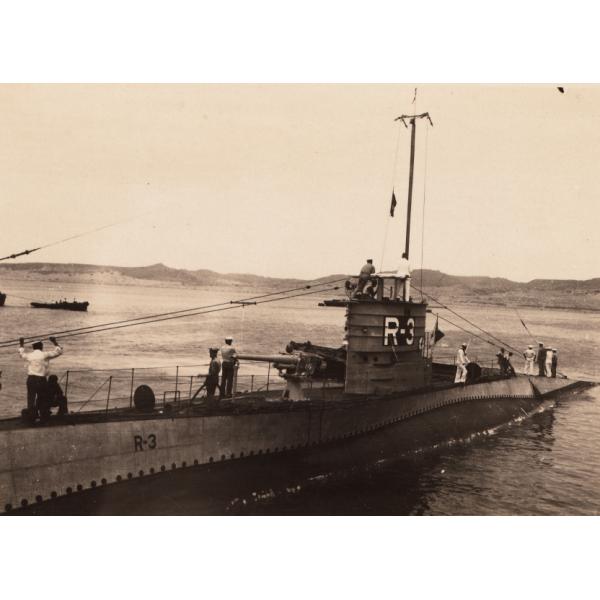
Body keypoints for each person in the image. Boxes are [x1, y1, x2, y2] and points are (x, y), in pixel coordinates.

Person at [18, 336, 63, 424]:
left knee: (31, 399)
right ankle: (43, 417)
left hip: (31, 379)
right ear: (41, 346)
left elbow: (21, 354)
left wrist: (21, 343)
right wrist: (54, 342)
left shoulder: (30, 356)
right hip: (41, 380)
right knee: (43, 399)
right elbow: (59, 352)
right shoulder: (45, 355)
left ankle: (31, 419)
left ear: (33, 347)